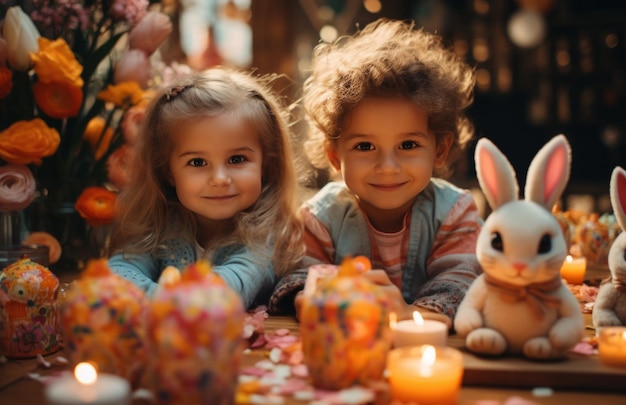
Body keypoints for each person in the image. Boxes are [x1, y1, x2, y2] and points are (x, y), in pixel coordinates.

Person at [268, 18, 482, 328]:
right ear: (334, 155)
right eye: (365, 147)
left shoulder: (455, 212)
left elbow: (460, 282)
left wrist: (412, 314)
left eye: (408, 144)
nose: (387, 167)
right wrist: (309, 296)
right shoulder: (320, 218)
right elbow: (299, 276)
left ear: (439, 150)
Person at [108, 67, 304, 309]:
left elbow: (221, 296)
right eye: (197, 162)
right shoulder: (162, 225)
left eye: (237, 159)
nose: (220, 179)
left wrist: (152, 300)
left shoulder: (266, 238)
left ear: (266, 164)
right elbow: (116, 275)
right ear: (168, 172)